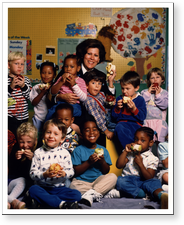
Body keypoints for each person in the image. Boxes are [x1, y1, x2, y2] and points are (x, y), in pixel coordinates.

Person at [105, 127, 168, 209]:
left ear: (150, 143)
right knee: (120, 181)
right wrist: (125, 151)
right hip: (128, 179)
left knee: (155, 182)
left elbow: (149, 177)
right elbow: (119, 165)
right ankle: (143, 194)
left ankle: (163, 196)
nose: (138, 142)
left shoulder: (153, 158)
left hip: (144, 181)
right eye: (136, 139)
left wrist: (140, 164)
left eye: (142, 140)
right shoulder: (130, 153)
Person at [29, 118, 81, 209]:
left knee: (77, 195)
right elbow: (32, 174)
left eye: (56, 134)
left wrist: (64, 173)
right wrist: (44, 174)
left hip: (59, 189)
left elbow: (71, 172)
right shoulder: (38, 152)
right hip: (42, 188)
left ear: (62, 139)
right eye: (48, 132)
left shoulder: (65, 153)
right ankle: (61, 204)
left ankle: (44, 201)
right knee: (32, 190)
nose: (51, 136)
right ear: (43, 134)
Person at [70, 117, 117, 207]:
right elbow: (75, 172)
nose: (91, 132)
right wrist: (88, 162)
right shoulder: (78, 150)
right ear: (81, 135)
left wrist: (103, 162)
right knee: (73, 187)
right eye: (87, 130)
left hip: (98, 181)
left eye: (94, 129)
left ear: (98, 133)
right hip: (82, 182)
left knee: (113, 177)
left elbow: (106, 171)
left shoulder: (103, 149)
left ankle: (91, 194)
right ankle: (102, 193)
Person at [55, 39, 116, 106]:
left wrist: (110, 82)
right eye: (89, 54)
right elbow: (50, 93)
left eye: (95, 55)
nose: (92, 58)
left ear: (99, 59)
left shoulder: (100, 75)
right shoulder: (69, 69)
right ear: (83, 55)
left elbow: (109, 101)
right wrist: (60, 97)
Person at [46, 54, 87, 131]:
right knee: (50, 113)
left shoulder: (81, 81)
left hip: (74, 106)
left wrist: (73, 85)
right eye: (66, 66)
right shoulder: (61, 78)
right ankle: (47, 132)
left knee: (75, 117)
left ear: (78, 68)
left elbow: (84, 98)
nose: (68, 69)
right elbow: (52, 92)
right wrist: (61, 82)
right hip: (60, 104)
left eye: (72, 67)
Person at [112, 71, 147, 149]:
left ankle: (138, 150)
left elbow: (142, 117)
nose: (124, 91)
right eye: (122, 88)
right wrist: (117, 108)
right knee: (119, 128)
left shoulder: (140, 99)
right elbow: (114, 117)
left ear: (136, 88)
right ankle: (129, 149)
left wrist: (134, 109)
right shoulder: (119, 99)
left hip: (136, 124)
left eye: (127, 88)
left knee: (141, 135)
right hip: (123, 124)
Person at [8, 122, 38, 209]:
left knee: (30, 191)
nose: (25, 145)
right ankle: (12, 200)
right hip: (15, 182)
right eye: (21, 142)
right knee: (22, 180)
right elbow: (12, 171)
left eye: (29, 142)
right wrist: (15, 159)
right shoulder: (16, 148)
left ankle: (11, 201)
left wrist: (33, 159)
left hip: (30, 183)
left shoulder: (39, 149)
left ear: (35, 141)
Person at [83, 70, 114, 140]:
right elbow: (96, 117)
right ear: (87, 85)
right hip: (104, 125)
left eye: (99, 83)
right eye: (93, 83)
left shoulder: (101, 94)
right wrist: (106, 131)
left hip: (110, 118)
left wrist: (110, 103)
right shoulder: (89, 100)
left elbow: (105, 106)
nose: (97, 86)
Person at [8, 51, 32, 138]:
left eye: (22, 64)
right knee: (10, 139)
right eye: (16, 63)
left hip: (23, 117)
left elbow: (30, 97)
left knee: (22, 138)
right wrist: (11, 86)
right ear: (8, 65)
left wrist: (23, 86)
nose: (19, 66)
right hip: (9, 117)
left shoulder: (26, 80)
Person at [141, 67, 168, 143]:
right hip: (147, 122)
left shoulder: (165, 93)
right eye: (152, 78)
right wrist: (148, 92)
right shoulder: (144, 92)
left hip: (160, 123)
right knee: (146, 143)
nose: (155, 79)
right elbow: (141, 103)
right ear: (149, 80)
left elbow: (164, 105)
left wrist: (158, 94)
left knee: (160, 144)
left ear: (162, 80)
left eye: (157, 77)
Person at [30, 61, 57, 132]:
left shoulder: (56, 88)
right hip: (38, 118)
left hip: (53, 119)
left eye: (49, 73)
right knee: (37, 138)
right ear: (40, 74)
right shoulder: (36, 87)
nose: (46, 75)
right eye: (43, 72)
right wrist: (42, 92)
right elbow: (33, 103)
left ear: (54, 75)